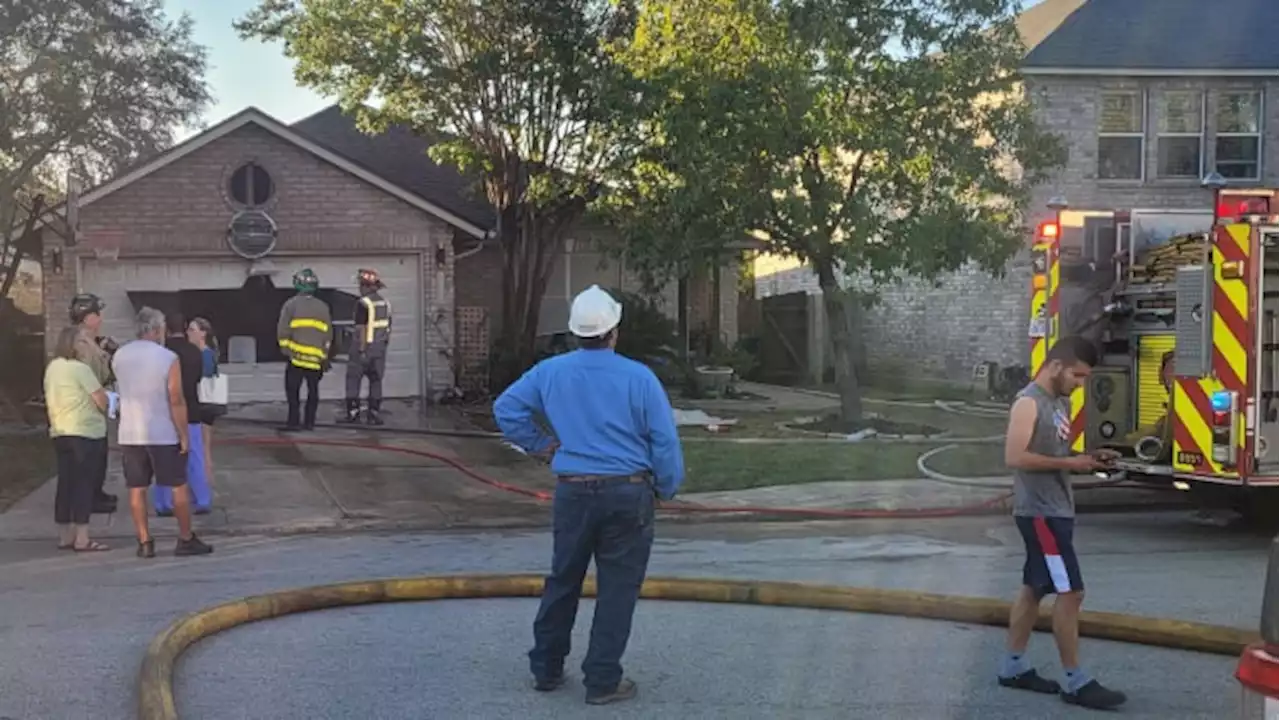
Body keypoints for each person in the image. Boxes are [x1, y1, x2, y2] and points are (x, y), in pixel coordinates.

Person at [493, 284, 685, 706]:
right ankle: (602, 680)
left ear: (575, 332)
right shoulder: (639, 377)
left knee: (563, 579)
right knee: (617, 588)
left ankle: (546, 668)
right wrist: (667, 487)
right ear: (614, 330)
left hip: (574, 493)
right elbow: (664, 441)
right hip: (627, 493)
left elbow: (506, 409)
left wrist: (542, 446)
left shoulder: (551, 372)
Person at [998, 336, 1125, 710]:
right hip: (1041, 513)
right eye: (1078, 375)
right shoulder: (1028, 402)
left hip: (1055, 509)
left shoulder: (1060, 402)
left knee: (1034, 588)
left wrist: (1085, 456)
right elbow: (1015, 456)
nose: (1080, 384)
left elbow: (1052, 451)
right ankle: (1075, 681)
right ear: (1056, 366)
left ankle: (1013, 666)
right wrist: (1073, 465)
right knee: (1071, 592)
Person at [111, 307, 213, 559]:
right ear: (157, 329)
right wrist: (184, 434)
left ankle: (144, 541)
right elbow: (176, 398)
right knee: (178, 485)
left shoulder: (120, 356)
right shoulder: (167, 358)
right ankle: (185, 537)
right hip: (162, 431)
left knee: (137, 488)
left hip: (131, 433)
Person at [44, 326, 111, 552]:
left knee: (65, 483)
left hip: (61, 431)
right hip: (85, 431)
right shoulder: (80, 369)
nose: (86, 345)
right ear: (73, 345)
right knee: (84, 484)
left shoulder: (53, 368)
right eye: (82, 342)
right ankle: (82, 537)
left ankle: (65, 535)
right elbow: (101, 399)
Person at [152, 312, 213, 516]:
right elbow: (198, 380)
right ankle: (202, 499)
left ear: (165, 328)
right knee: (195, 455)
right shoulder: (195, 352)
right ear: (185, 327)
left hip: (166, 410)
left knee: (165, 457)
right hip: (192, 409)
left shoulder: (161, 352)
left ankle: (164, 502)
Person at [68, 292, 118, 515]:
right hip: (87, 409)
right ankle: (90, 498)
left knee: (100, 454)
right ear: (86, 317)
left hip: (95, 410)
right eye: (97, 314)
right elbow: (90, 377)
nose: (100, 319)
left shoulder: (90, 343)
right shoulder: (82, 345)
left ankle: (97, 492)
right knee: (91, 458)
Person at [276, 268, 332, 432]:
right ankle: (310, 423)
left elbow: (283, 330)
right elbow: (328, 334)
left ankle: (294, 423)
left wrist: (285, 348)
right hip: (316, 360)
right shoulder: (323, 307)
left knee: (293, 391)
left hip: (296, 358)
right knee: (313, 391)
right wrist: (325, 356)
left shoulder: (291, 305)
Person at [340, 268, 392, 425]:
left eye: (362, 285)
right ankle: (374, 414)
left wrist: (361, 348)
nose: (360, 288)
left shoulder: (363, 304)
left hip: (363, 350)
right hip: (379, 350)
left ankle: (353, 413)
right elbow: (387, 327)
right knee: (376, 381)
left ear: (367, 287)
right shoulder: (385, 304)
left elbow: (361, 328)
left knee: (353, 380)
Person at [187, 317, 220, 489]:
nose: (189, 333)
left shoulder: (205, 355)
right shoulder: (200, 353)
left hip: (204, 405)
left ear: (203, 333)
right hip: (202, 404)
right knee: (200, 447)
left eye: (193, 330)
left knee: (203, 449)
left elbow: (204, 379)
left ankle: (205, 484)